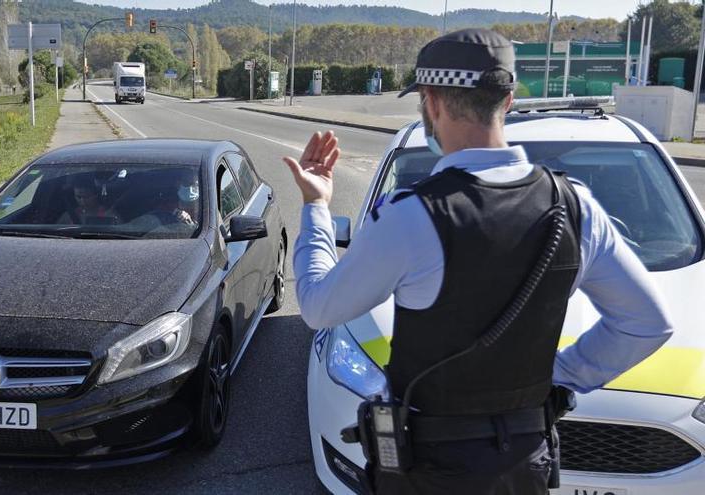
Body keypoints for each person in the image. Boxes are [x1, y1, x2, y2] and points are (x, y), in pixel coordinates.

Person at [283, 28, 673, 494]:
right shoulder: (576, 207)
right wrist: (557, 378)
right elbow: (648, 323)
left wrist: (316, 206)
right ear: (507, 102)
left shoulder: (413, 216)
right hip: (523, 464)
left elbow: (318, 308)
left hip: (428, 469)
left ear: (431, 103)